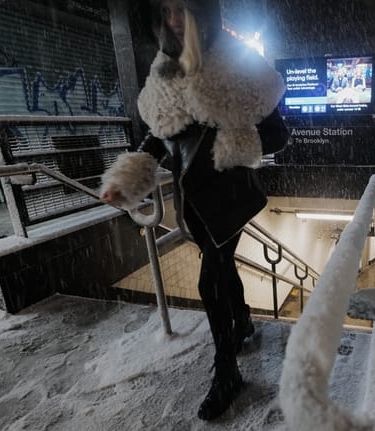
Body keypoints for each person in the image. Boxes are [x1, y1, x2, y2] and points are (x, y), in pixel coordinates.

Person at [99, 0, 288, 420]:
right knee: (221, 264)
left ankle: (228, 373)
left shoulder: (239, 67)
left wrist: (231, 134)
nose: (174, 19)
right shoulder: (164, 71)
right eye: (166, 11)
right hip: (193, 200)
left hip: (227, 195)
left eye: (182, 9)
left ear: (203, 12)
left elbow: (277, 134)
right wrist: (124, 181)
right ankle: (241, 322)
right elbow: (159, 136)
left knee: (210, 278)